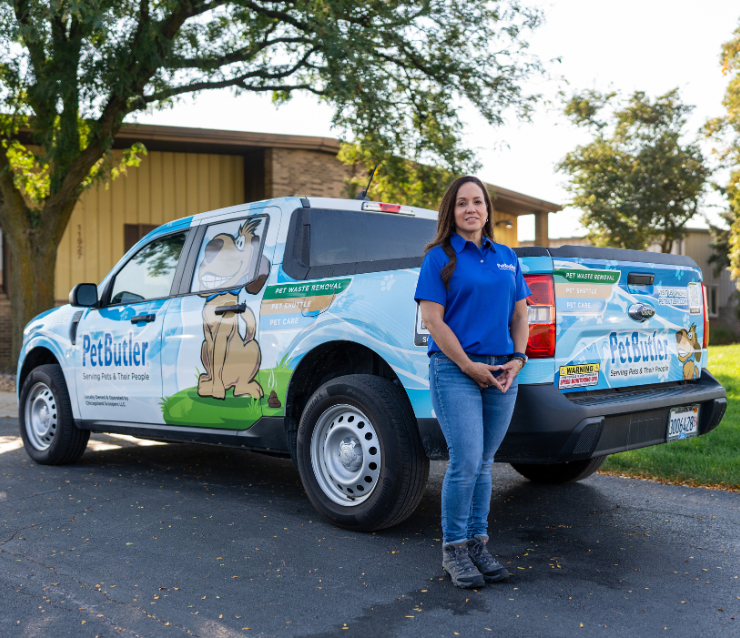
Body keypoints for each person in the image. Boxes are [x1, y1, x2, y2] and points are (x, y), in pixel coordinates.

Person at [415, 175, 530, 588]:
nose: (471, 209)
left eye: (477, 202)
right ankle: (455, 551)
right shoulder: (438, 258)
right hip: (455, 370)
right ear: (451, 211)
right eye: (462, 203)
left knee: (484, 463)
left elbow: (520, 316)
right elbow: (433, 320)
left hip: (503, 370)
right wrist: (467, 365)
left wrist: (518, 358)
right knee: (464, 462)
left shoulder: (506, 257)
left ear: (487, 210)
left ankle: (478, 544)